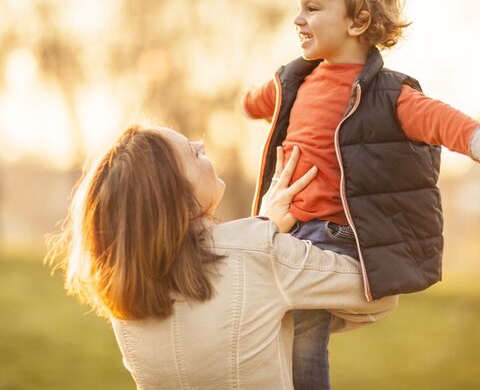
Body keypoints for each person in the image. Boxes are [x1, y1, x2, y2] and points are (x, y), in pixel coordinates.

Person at [241, 0, 480, 389]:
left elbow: (440, 120)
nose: (298, 18)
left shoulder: (387, 93)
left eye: (312, 9)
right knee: (264, 319)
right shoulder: (295, 79)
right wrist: (254, 100)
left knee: (304, 332)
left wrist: (473, 138)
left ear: (358, 21)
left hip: (331, 235)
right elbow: (261, 100)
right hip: (285, 227)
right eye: (300, 7)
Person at [45, 124, 397, 390]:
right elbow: (378, 291)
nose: (201, 144)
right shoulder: (261, 255)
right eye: (192, 153)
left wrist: (264, 231)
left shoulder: (123, 292)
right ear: (178, 198)